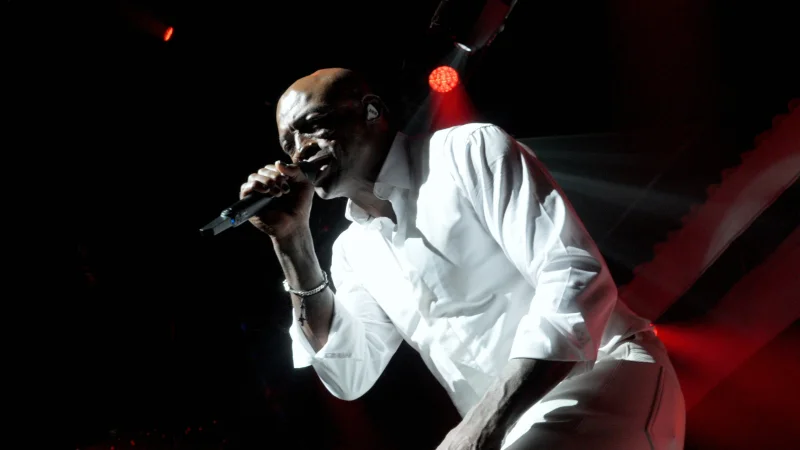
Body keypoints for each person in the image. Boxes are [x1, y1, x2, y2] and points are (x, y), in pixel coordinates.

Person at [239, 68, 685, 449]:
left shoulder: (467, 151)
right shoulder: (353, 251)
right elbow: (348, 373)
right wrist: (291, 239)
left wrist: (484, 421)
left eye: (312, 125)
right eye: (287, 142)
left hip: (605, 375)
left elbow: (575, 276)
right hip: (512, 426)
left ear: (371, 111)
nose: (299, 150)